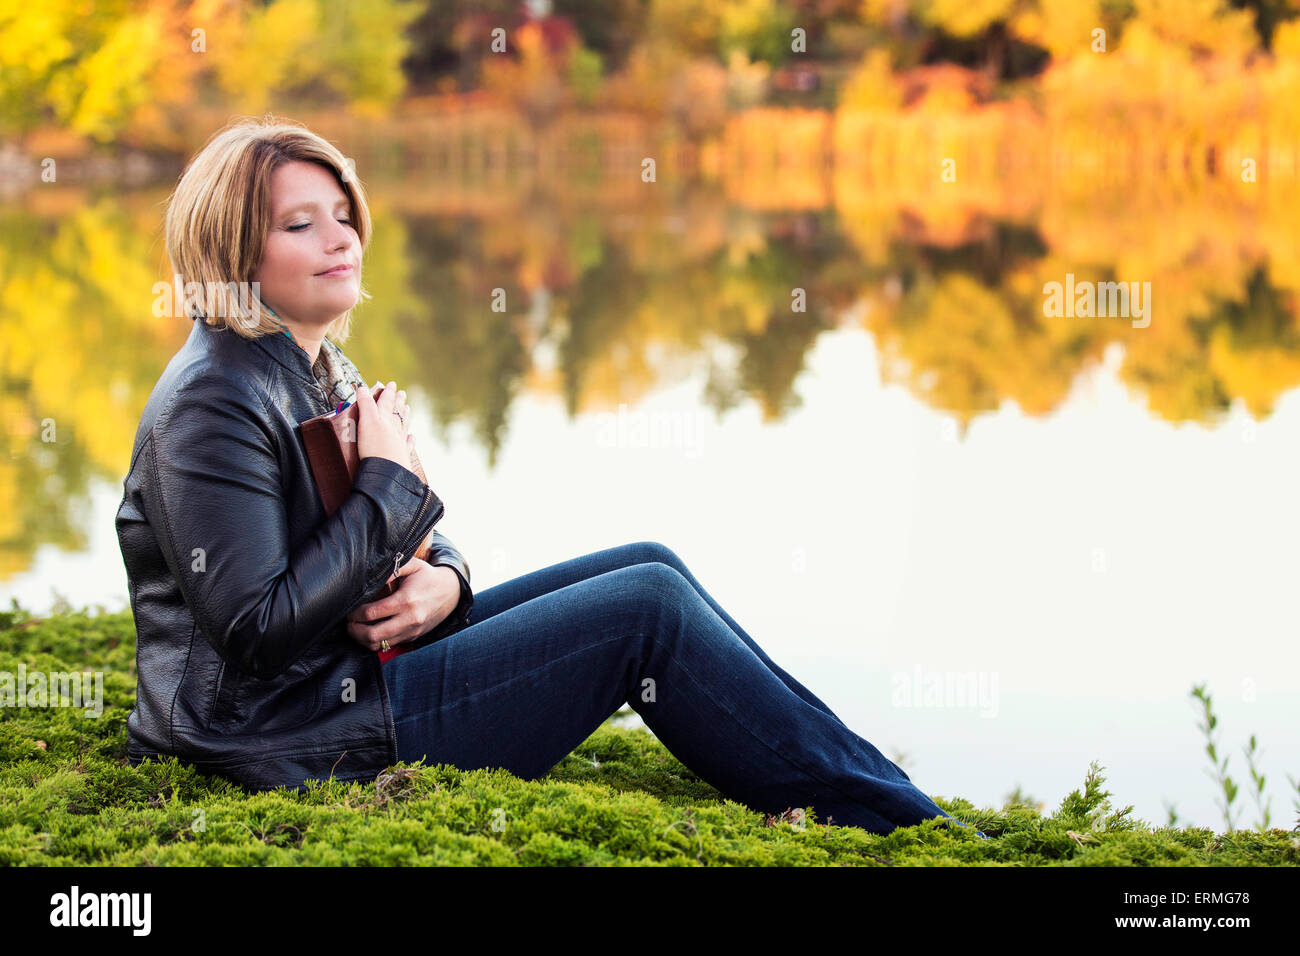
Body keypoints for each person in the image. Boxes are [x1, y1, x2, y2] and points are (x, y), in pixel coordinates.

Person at [117, 115, 984, 838]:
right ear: (233, 248)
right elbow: (255, 628)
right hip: (286, 736)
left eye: (342, 213)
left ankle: (871, 785)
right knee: (646, 611)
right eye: (298, 224)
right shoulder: (213, 402)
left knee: (651, 560)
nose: (340, 238)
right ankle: (900, 825)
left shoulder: (309, 359)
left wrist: (448, 585)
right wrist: (385, 483)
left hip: (352, 677)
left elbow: (406, 531)